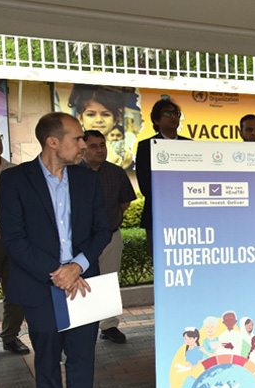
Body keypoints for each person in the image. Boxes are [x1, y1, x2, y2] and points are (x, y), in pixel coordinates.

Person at [0, 112, 111, 388]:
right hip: (40, 285)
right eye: (77, 139)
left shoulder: (86, 180)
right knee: (46, 359)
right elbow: (14, 239)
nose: (84, 145)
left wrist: (77, 265)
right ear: (53, 142)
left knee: (82, 357)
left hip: (82, 285)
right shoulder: (15, 180)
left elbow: (101, 230)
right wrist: (57, 272)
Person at [81, 130, 136, 344]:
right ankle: (83, 329)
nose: (99, 149)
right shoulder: (71, 172)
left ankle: (109, 326)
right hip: (82, 241)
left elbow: (125, 202)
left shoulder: (116, 172)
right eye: (93, 146)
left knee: (108, 282)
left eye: (102, 145)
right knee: (83, 283)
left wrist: (110, 221)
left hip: (111, 236)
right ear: (83, 148)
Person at [134, 98, 191, 257]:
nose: (173, 117)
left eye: (176, 113)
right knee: (160, 261)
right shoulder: (146, 146)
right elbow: (145, 185)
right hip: (157, 215)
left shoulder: (191, 145)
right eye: (167, 113)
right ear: (156, 120)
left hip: (187, 216)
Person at [0, 128, 26, 357]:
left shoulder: (14, 171)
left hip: (14, 241)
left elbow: (23, 207)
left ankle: (10, 337)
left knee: (15, 291)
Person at [67, 84, 132, 168]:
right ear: (80, 117)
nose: (99, 120)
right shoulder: (71, 152)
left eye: (105, 114)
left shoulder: (124, 153)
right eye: (91, 114)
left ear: (115, 119)